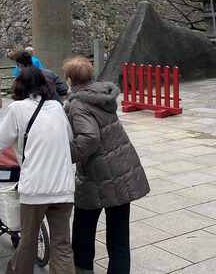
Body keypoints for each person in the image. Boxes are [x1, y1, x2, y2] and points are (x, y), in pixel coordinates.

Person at [0, 66, 75, 274]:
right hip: (63, 187)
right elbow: (69, 137)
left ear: (19, 86)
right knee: (62, 245)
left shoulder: (17, 109)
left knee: (28, 242)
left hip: (35, 188)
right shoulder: (56, 106)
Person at [64, 57, 149, 274]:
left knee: (83, 226)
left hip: (97, 175)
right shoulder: (102, 95)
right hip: (122, 168)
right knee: (119, 232)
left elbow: (89, 138)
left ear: (70, 79)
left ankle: (82, 269)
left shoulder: (78, 104)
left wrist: (67, 154)